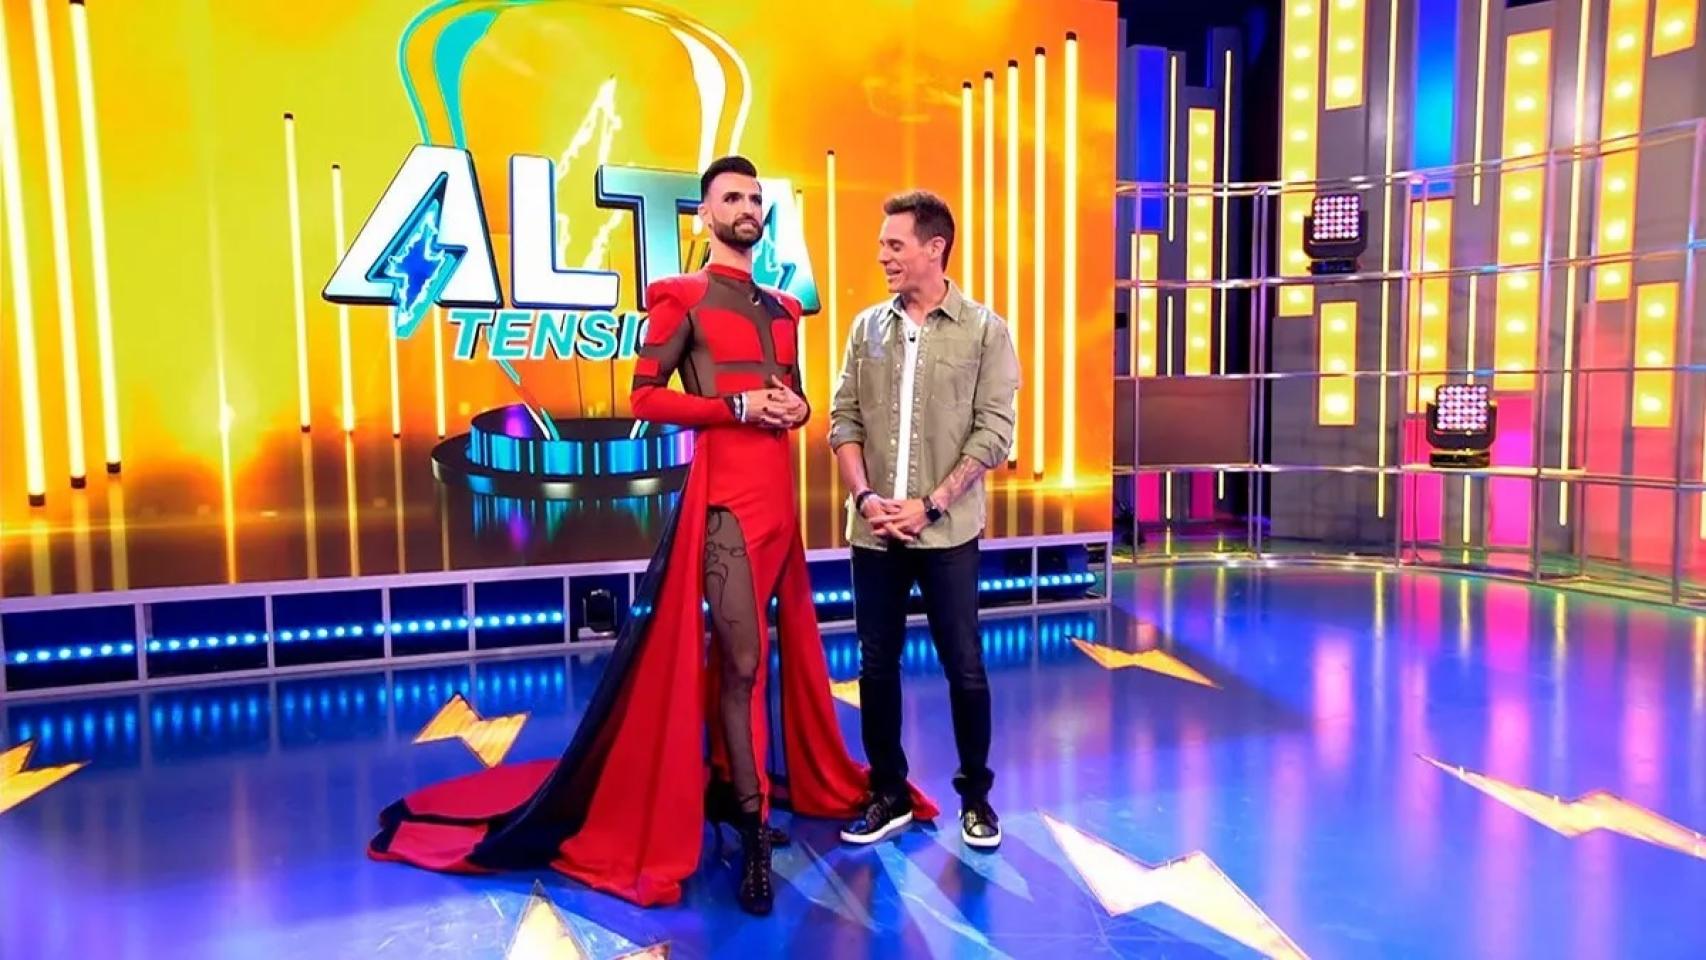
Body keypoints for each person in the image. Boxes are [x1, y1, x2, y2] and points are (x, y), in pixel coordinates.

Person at [368, 156, 937, 916]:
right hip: (727, 506)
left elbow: (796, 395)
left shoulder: (783, 308)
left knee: (756, 660)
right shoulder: (680, 296)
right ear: (705, 215)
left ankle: (734, 789)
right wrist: (734, 409)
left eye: (755, 198)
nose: (747, 207)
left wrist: (795, 410)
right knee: (740, 661)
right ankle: (751, 826)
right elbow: (645, 397)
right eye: (731, 197)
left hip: (780, 508)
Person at [828, 189, 1019, 851]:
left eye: (895, 244)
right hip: (874, 532)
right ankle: (889, 793)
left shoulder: (985, 331)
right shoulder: (865, 329)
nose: (882, 255)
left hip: (948, 532)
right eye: (882, 244)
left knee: (964, 665)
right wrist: (865, 498)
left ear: (935, 248)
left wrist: (932, 503)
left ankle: (976, 798)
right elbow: (843, 420)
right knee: (875, 666)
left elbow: (994, 433)